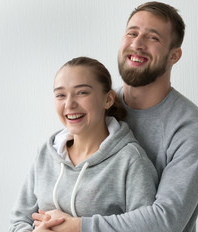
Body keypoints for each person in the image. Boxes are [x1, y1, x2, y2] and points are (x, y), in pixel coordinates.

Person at [33, 1, 198, 232]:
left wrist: (77, 227)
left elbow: (166, 221)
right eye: (132, 33)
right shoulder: (95, 105)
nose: (137, 44)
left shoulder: (190, 130)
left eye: (153, 38)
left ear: (174, 56)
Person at [9, 57, 158, 231]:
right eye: (60, 95)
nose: (69, 104)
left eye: (82, 93)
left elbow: (146, 228)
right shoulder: (46, 154)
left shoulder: (131, 160)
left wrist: (77, 227)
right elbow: (18, 221)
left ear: (108, 99)